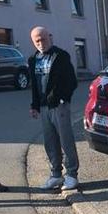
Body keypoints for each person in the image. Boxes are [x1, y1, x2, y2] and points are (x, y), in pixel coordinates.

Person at [28, 27, 79, 191]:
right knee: (50, 142)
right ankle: (56, 175)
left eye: (43, 39)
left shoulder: (60, 56)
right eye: (37, 40)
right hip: (44, 108)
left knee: (66, 141)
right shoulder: (33, 59)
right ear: (33, 42)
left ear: (50, 37)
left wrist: (63, 99)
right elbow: (35, 86)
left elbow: (72, 81)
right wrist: (34, 105)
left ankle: (72, 175)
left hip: (59, 106)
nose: (41, 43)